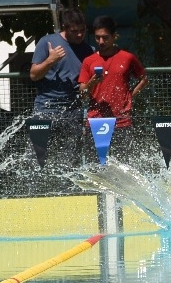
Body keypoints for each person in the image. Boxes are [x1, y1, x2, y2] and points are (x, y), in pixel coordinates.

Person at [29, 9, 93, 173]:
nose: (79, 35)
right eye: (74, 31)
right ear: (64, 28)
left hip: (73, 111)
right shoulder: (47, 42)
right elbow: (34, 75)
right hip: (46, 108)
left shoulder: (88, 50)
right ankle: (36, 188)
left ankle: (67, 189)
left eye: (82, 31)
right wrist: (51, 60)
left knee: (71, 158)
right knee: (37, 157)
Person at [79, 16, 148, 156]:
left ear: (115, 36)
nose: (101, 42)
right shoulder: (89, 61)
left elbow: (144, 79)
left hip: (121, 119)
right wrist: (92, 82)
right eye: (97, 38)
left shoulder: (127, 57)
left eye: (105, 37)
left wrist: (130, 96)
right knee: (96, 166)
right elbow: (82, 93)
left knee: (124, 164)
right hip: (96, 120)